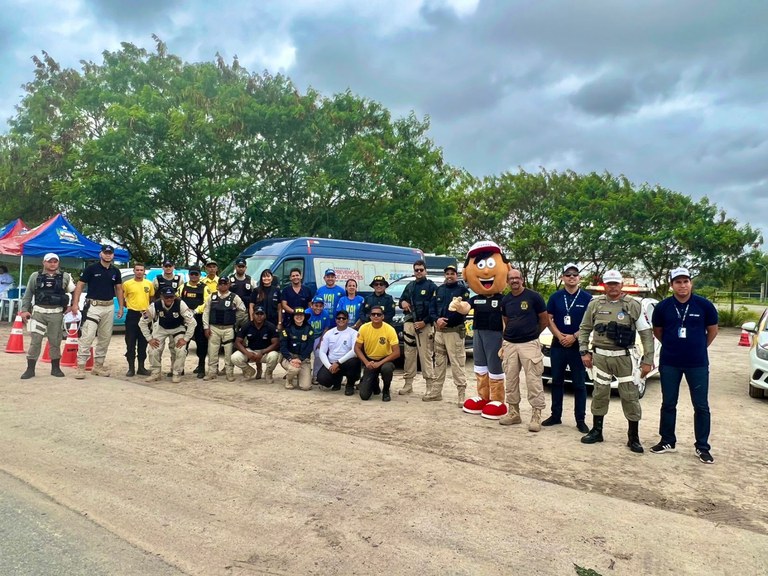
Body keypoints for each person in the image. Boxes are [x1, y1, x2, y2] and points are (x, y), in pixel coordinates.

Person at [579, 269, 654, 453]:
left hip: (624, 357)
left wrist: (648, 360)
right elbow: (585, 328)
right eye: (609, 283)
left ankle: (633, 437)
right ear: (604, 285)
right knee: (599, 393)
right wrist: (584, 352)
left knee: (630, 396)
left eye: (616, 283)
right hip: (600, 357)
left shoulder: (633, 305)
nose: (612, 287)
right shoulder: (595, 304)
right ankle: (597, 431)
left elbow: (646, 333)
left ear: (621, 284)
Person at [651, 267, 719, 463]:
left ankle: (702, 446)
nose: (682, 285)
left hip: (697, 363)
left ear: (691, 283)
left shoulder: (704, 305)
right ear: (672, 285)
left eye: (686, 281)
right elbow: (658, 331)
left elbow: (713, 330)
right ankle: (667, 441)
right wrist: (673, 346)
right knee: (668, 403)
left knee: (701, 405)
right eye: (678, 282)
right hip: (670, 362)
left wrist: (699, 347)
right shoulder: (663, 307)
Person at [460, 240, 510, 419]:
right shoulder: (476, 298)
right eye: (480, 265)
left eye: (490, 264)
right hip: (478, 334)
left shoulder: (504, 299)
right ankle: (483, 397)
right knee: (480, 365)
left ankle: (497, 400)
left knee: (495, 366)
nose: (486, 271)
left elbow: (507, 320)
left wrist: (505, 341)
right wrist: (458, 306)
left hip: (496, 335)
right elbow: (466, 308)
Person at [543, 263, 593, 432]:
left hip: (578, 346)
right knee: (557, 381)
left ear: (579, 278)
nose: (571, 277)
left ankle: (580, 420)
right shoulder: (555, 297)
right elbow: (548, 319)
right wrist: (559, 336)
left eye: (574, 274)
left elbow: (590, 323)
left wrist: (574, 336)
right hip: (558, 345)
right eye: (568, 274)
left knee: (579, 384)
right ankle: (555, 416)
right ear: (562, 277)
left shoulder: (587, 298)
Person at [498, 268, 549, 432]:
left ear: (522, 279)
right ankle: (514, 413)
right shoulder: (505, 300)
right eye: (511, 278)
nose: (514, 281)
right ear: (507, 281)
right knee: (511, 380)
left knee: (533, 380)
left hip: (529, 344)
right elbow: (506, 320)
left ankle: (536, 416)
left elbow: (544, 320)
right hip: (510, 344)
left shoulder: (534, 297)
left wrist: (533, 334)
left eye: (517, 278)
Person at [71, 244, 125, 379]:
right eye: (105, 253)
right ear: (101, 254)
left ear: (113, 255)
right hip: (93, 306)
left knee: (105, 338)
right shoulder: (91, 268)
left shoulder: (115, 271)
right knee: (87, 336)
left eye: (110, 253)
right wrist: (75, 304)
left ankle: (98, 366)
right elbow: (80, 285)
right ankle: (81, 367)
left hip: (109, 306)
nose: (108, 255)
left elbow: (119, 289)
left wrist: (121, 307)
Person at [19, 253, 75, 379]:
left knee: (55, 341)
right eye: (50, 261)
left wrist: (72, 305)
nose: (53, 264)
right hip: (39, 313)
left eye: (55, 261)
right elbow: (28, 294)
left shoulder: (65, 276)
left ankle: (55, 368)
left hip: (56, 313)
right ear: (44, 262)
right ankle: (30, 369)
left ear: (58, 263)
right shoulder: (35, 276)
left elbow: (74, 291)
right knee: (35, 341)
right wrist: (24, 310)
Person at [426, 264, 471, 405]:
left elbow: (463, 311)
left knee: (457, 363)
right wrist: (436, 320)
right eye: (447, 273)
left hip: (454, 332)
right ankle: (436, 392)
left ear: (456, 275)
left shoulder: (462, 291)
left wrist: (447, 321)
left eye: (452, 273)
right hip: (439, 332)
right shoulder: (439, 290)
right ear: (445, 275)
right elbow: (432, 308)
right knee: (439, 362)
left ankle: (461, 394)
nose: (450, 276)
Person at [397, 260, 438, 395]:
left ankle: (429, 386)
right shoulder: (410, 286)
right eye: (416, 270)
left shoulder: (431, 286)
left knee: (426, 355)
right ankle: (408, 384)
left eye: (421, 270)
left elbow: (435, 308)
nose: (419, 272)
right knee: (409, 355)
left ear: (425, 270)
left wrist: (424, 322)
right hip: (409, 323)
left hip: (424, 325)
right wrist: (403, 303)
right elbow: (401, 301)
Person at [140, 286, 196, 383]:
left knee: (181, 350)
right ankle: (155, 373)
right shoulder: (155, 305)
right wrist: (149, 339)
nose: (169, 299)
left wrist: (186, 339)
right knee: (153, 350)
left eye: (171, 297)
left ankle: (176, 373)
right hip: (161, 328)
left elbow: (192, 322)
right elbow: (142, 322)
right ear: (161, 297)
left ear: (175, 296)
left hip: (178, 328)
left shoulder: (181, 304)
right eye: (166, 297)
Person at [202, 276, 247, 381]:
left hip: (228, 328)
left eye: (225, 283)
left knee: (228, 352)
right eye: (221, 284)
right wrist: (206, 327)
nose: (223, 286)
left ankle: (229, 373)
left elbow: (242, 310)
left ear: (229, 285)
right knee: (212, 351)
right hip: (214, 328)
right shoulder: (212, 296)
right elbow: (206, 312)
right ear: (218, 285)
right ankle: (212, 372)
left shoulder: (234, 297)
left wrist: (234, 318)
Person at [354, 305, 400, 402]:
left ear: (383, 316)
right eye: (373, 314)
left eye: (378, 314)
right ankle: (374, 382)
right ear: (370, 316)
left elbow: (397, 352)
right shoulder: (363, 328)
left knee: (387, 369)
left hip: (385, 359)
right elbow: (357, 348)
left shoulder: (390, 329)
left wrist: (379, 363)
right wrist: (366, 363)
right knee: (364, 396)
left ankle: (386, 390)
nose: (376, 316)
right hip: (370, 360)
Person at [317, 309, 361, 395]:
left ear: (347, 320)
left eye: (344, 318)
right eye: (339, 318)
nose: (341, 320)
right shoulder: (329, 333)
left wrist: (338, 362)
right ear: (335, 320)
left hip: (346, 362)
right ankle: (336, 381)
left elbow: (354, 351)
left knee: (354, 362)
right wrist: (329, 366)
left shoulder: (354, 333)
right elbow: (322, 352)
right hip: (332, 363)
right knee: (322, 379)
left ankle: (350, 385)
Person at [122, 263, 155, 377]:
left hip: (145, 315)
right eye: (137, 270)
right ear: (134, 271)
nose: (139, 272)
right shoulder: (127, 284)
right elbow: (123, 299)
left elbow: (151, 298)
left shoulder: (149, 284)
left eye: (141, 270)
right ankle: (131, 368)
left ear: (144, 271)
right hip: (132, 315)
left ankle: (141, 367)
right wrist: (130, 306)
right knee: (130, 342)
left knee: (143, 342)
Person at [232, 305, 280, 381]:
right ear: (253, 315)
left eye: (261, 314)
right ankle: (249, 371)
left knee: (274, 355)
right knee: (234, 357)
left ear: (265, 315)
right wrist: (247, 353)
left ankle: (268, 373)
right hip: (251, 351)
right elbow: (237, 342)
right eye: (257, 314)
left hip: (265, 352)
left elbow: (276, 343)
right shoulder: (247, 326)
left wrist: (262, 352)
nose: (259, 316)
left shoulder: (271, 326)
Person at [180, 265, 209, 379]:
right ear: (189, 275)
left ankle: (201, 368)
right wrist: (185, 311)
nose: (193, 276)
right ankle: (180, 368)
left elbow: (207, 303)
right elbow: (177, 300)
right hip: (185, 319)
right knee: (183, 345)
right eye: (192, 274)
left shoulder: (204, 288)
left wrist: (196, 310)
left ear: (199, 275)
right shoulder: (182, 287)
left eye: (196, 274)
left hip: (199, 319)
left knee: (201, 344)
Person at [279, 307, 315, 390]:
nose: (299, 317)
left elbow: (310, 347)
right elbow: (283, 347)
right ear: (293, 317)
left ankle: (300, 374)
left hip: (303, 359)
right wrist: (290, 359)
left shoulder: (309, 329)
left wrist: (300, 359)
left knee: (305, 387)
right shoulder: (287, 329)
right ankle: (289, 380)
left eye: (301, 315)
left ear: (304, 317)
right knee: (294, 369)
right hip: (289, 358)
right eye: (297, 315)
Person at [307, 296, 334, 382]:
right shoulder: (307, 313)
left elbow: (326, 328)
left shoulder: (325, 314)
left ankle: (316, 375)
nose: (318, 308)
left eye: (320, 306)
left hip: (319, 336)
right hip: (307, 337)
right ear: (312, 305)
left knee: (319, 354)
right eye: (316, 305)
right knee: (305, 355)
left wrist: (321, 341)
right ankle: (304, 374)